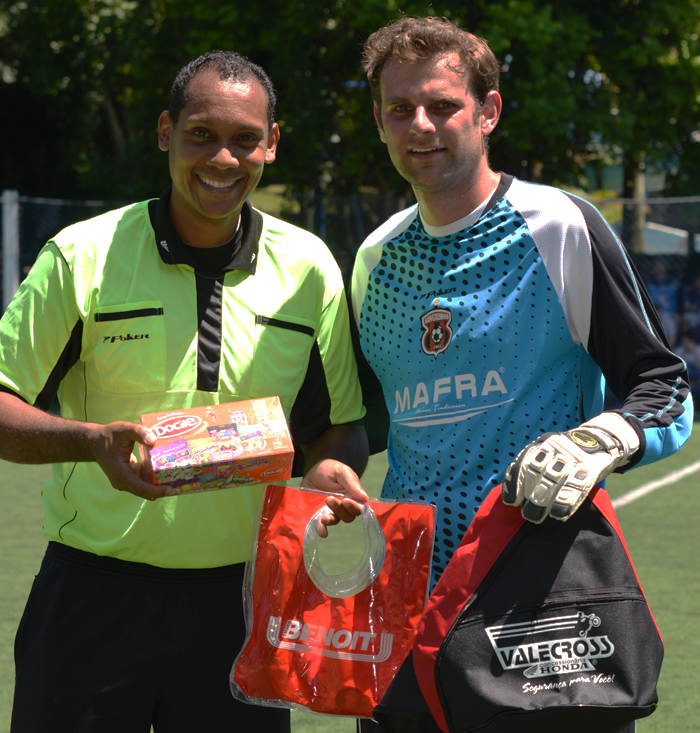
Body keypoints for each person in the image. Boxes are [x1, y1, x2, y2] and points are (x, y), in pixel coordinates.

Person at [0, 51, 369, 732]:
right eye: (202, 133)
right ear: (166, 131)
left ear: (272, 145)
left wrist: (328, 472)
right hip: (90, 594)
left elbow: (339, 426)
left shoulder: (311, 268)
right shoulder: (81, 254)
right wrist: (89, 442)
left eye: (244, 139)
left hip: (238, 602)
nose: (223, 158)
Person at [350, 16, 693, 732]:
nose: (421, 124)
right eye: (399, 107)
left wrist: (595, 441)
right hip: (406, 609)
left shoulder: (557, 223)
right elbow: (366, 423)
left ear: (488, 111)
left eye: (443, 104)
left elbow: (665, 389)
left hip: (540, 606)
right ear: (379, 122)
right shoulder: (374, 261)